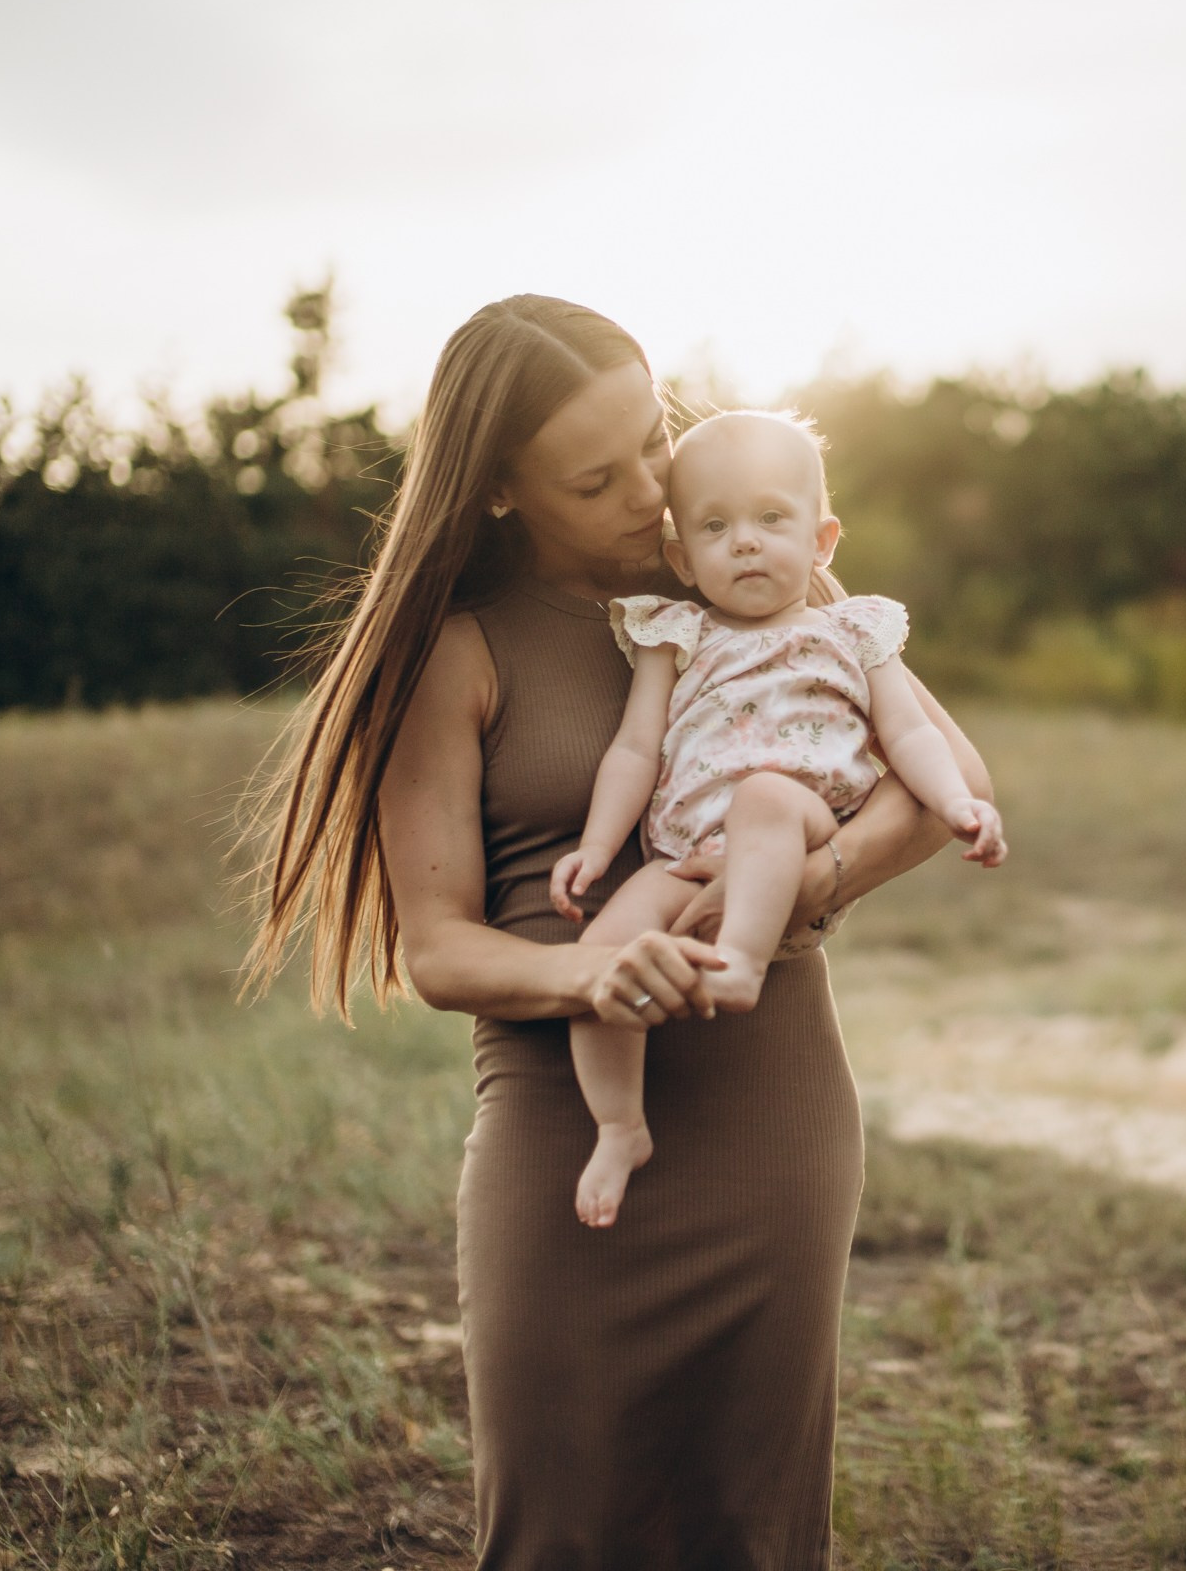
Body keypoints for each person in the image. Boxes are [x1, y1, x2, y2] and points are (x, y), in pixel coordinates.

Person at [243, 294, 989, 1569]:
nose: (655, 488)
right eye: (601, 476)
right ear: (496, 493)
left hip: (773, 1113)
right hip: (563, 1129)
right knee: (557, 1532)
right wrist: (597, 967)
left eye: (656, 436)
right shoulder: (458, 655)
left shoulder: (744, 565)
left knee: (752, 1532)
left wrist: (797, 886)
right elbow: (441, 950)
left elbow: (942, 780)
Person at [549, 409, 1005, 1226]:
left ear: (822, 540)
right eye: (717, 527)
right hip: (684, 861)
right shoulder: (674, 635)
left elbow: (907, 733)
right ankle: (620, 1126)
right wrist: (593, 848)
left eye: (771, 519)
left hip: (800, 829)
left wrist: (959, 805)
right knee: (599, 965)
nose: (746, 543)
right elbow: (633, 750)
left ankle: (741, 963)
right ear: (683, 558)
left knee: (763, 794)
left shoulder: (852, 631)